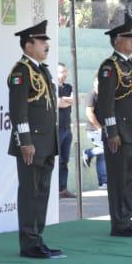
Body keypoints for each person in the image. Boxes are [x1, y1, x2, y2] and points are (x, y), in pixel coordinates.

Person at [7, 20, 62, 258]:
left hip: (47, 142)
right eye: (41, 41)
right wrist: (25, 141)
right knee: (30, 193)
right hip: (31, 144)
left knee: (42, 192)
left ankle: (37, 238)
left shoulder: (43, 70)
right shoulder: (21, 71)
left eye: (46, 41)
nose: (46, 45)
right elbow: (18, 110)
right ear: (28, 45)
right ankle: (28, 243)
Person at [95, 17, 132, 237]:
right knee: (118, 180)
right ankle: (119, 223)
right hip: (120, 133)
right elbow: (106, 104)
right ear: (117, 41)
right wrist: (112, 132)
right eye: (128, 38)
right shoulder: (110, 67)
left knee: (129, 178)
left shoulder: (131, 64)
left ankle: (126, 218)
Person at [83, 79, 108, 188]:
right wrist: (99, 128)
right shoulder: (92, 95)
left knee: (102, 156)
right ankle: (89, 153)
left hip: (102, 129)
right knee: (106, 149)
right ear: (94, 83)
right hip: (94, 130)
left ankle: (103, 182)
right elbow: (89, 113)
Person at [56, 62, 75, 198]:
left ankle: (63, 189)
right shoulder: (54, 87)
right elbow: (58, 103)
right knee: (57, 159)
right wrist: (65, 100)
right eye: (62, 72)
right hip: (57, 128)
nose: (65, 74)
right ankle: (54, 190)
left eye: (65, 71)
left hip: (67, 128)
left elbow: (74, 100)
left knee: (65, 161)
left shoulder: (69, 87)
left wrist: (65, 100)